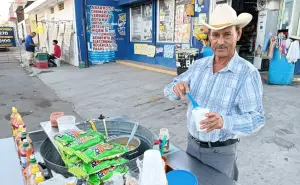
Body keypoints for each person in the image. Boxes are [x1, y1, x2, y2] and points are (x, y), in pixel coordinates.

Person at [164, 4, 265, 181]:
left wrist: (224, 122)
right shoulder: (199, 66)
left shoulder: (247, 73)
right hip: (192, 146)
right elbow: (169, 90)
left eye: (227, 34)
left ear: (238, 34)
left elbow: (257, 118)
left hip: (221, 153)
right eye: (215, 35)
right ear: (209, 37)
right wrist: (176, 87)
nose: (220, 41)